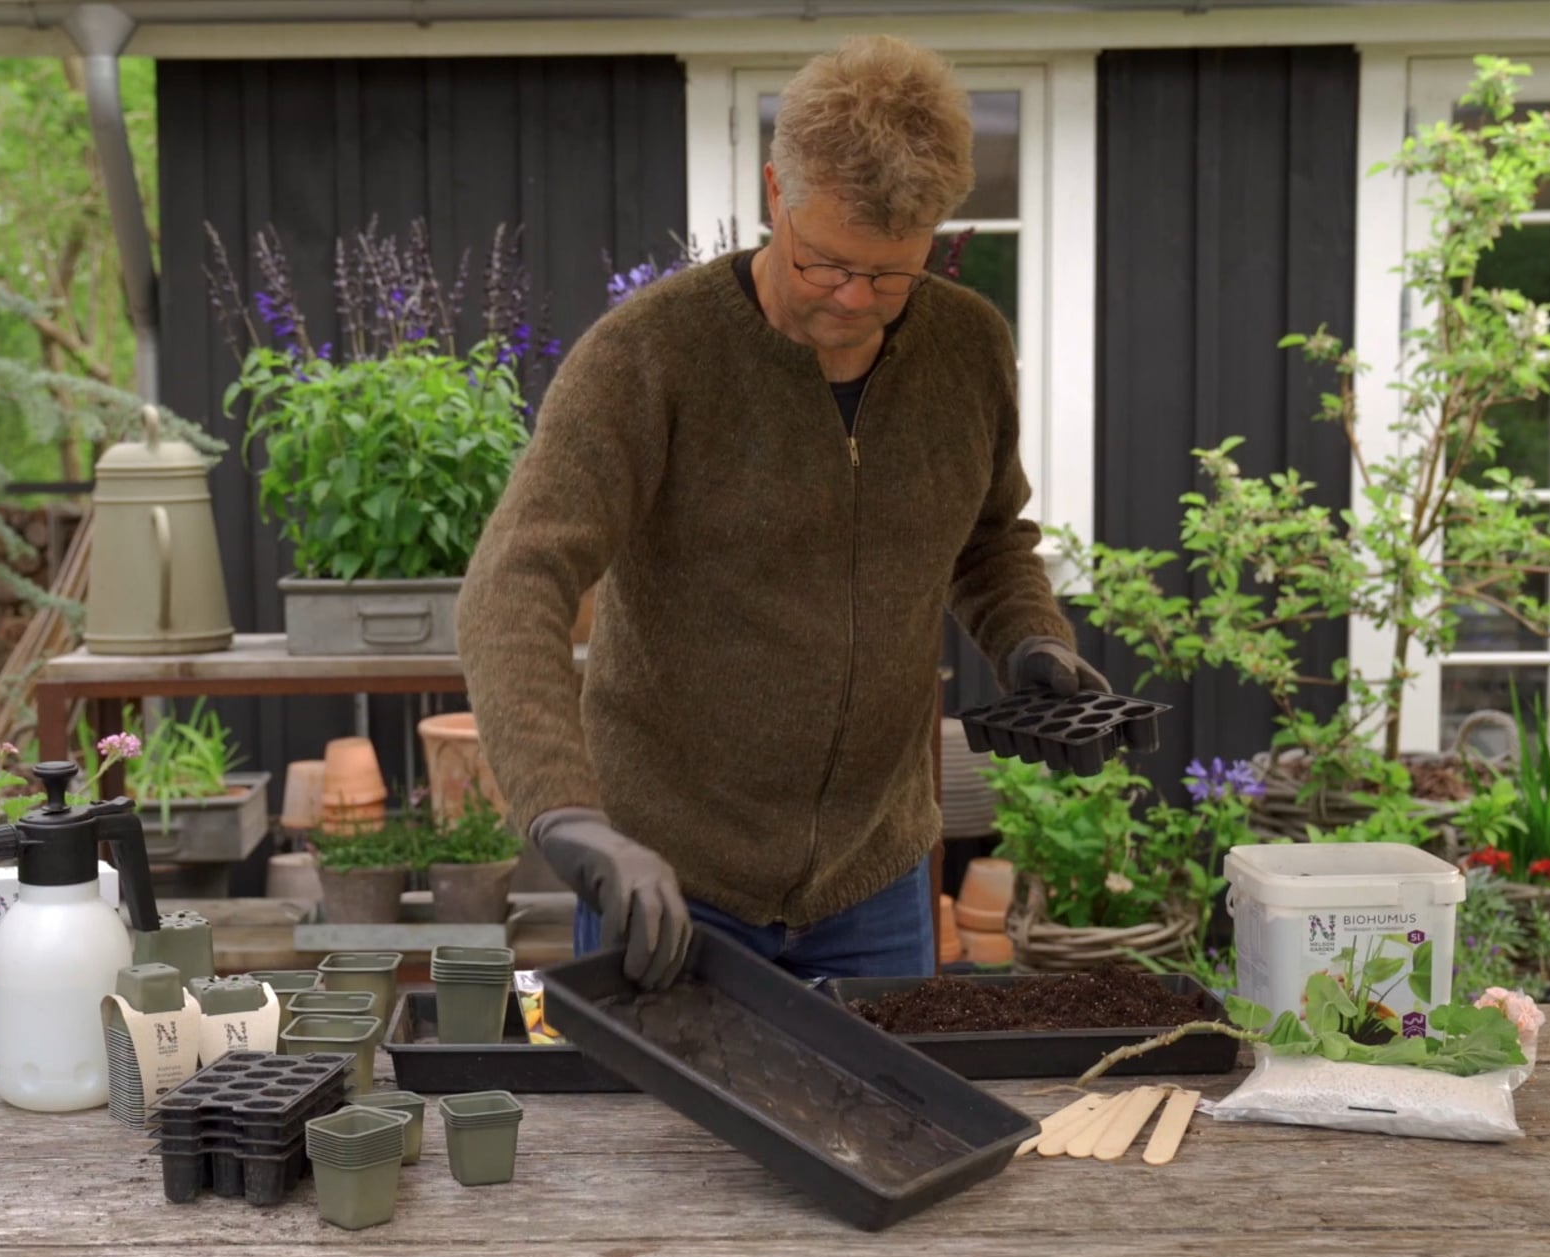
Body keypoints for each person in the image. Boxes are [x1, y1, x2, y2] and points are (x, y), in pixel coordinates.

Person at [456, 34, 1106, 989]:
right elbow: (515, 582)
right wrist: (568, 817)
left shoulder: (966, 348)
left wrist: (1032, 641)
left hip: (874, 878)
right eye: (824, 264)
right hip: (670, 878)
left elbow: (987, 537)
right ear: (775, 194)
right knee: (653, 1100)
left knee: (881, 1093)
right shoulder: (650, 357)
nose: (854, 301)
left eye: (892, 275)